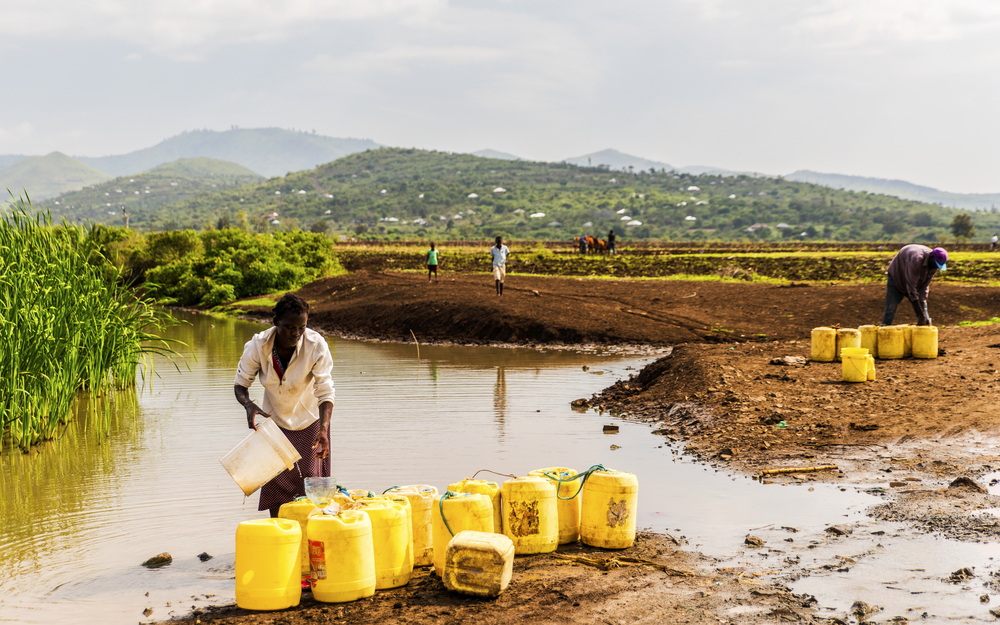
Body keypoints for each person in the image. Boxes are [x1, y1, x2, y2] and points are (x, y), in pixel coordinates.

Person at [233, 293, 335, 517]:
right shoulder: (258, 346)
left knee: (311, 483)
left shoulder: (316, 345)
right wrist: (248, 405)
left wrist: (324, 429)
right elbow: (240, 385)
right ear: (276, 322)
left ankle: (310, 538)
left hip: (310, 422)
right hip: (274, 422)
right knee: (277, 483)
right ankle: (282, 534)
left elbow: (325, 391)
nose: (296, 333)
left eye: (302, 327)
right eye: (290, 327)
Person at [882, 245, 947, 326]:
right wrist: (920, 315)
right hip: (897, 278)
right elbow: (911, 287)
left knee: (924, 310)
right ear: (931, 257)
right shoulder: (916, 260)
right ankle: (884, 331)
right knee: (890, 308)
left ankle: (926, 331)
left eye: (938, 266)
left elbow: (924, 287)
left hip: (914, 281)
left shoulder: (934, 265)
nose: (936, 267)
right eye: (935, 264)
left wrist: (922, 309)